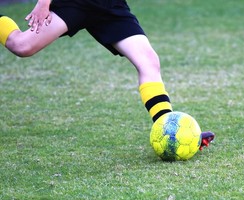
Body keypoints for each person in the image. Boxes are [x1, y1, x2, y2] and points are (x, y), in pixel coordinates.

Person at [0, 0, 214, 150]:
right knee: (21, 45)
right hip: (76, 3)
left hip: (110, 5)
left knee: (149, 61)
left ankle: (170, 130)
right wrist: (44, 3)